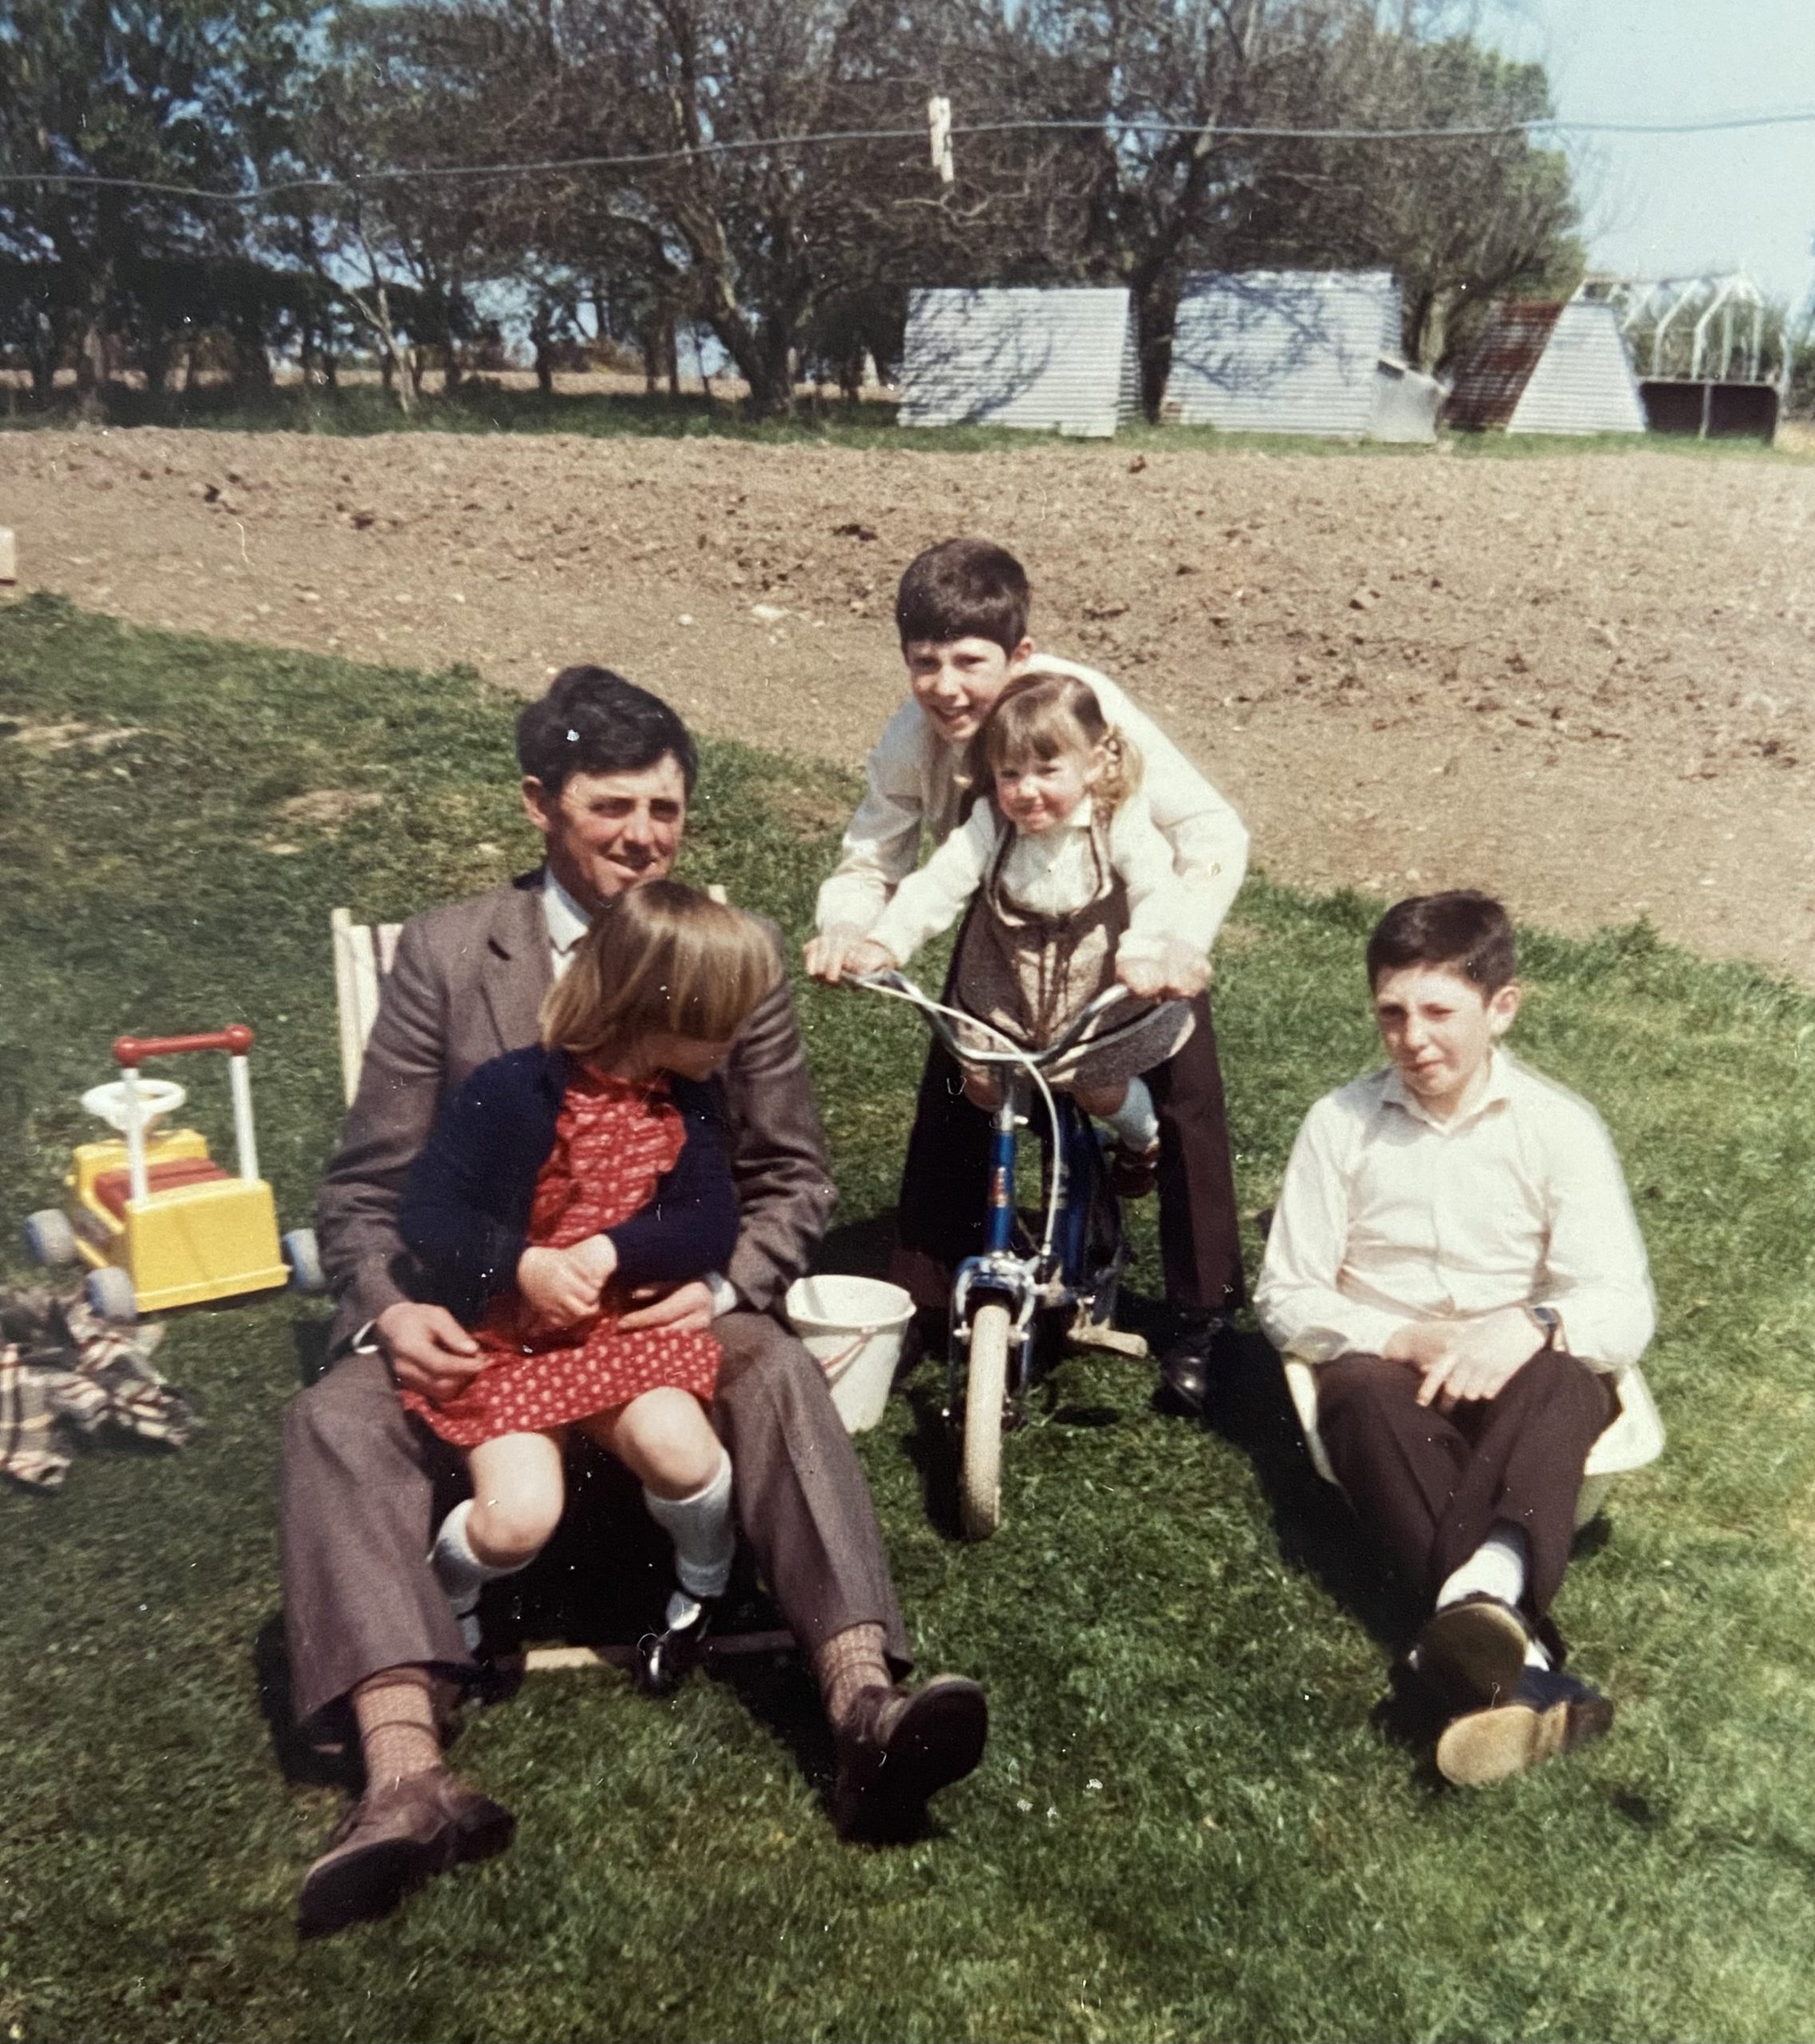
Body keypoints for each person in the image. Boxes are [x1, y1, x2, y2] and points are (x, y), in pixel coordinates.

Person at [285, 665, 986, 1941]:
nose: (641, 837)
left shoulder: (727, 953)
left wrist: (718, 1285)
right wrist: (392, 1308)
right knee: (337, 1417)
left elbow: (790, 1174)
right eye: (612, 807)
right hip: (481, 1310)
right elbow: (370, 1191)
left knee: (767, 1367)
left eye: (664, 810)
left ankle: (859, 1704)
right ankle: (402, 1778)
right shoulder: (453, 957)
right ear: (539, 805)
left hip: (660, 1300)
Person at [806, 539, 1248, 1413]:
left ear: (1021, 655)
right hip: (1006, 924)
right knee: (959, 1079)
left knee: (1187, 1093)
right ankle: (927, 1299)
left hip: (1127, 930)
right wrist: (851, 928)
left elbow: (1210, 830)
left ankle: (1198, 1320)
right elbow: (877, 854)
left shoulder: (1085, 711)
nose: (945, 687)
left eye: (968, 662)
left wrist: (1175, 942)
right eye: (923, 663)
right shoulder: (913, 738)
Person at [1254, 891, 1655, 1786]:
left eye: (1440, 1012)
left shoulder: (1558, 1127)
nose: (1413, 1038)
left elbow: (1623, 1304)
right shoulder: (1341, 1124)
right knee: (1351, 1388)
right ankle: (1522, 1650)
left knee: (1566, 1382)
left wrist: (1530, 1324)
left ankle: (1471, 1620)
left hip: (1511, 1364)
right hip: (1392, 1370)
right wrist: (1400, 1335)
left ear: (1501, 1007)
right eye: (1392, 1013)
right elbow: (1286, 1290)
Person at [398, 881, 775, 1665]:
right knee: (516, 1519)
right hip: (510, 1343)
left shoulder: (688, 1100)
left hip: (613, 1334)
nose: (737, 1039)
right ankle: (450, 1596)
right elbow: (428, 1214)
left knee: (685, 1451)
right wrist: (522, 1262)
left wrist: (612, 1251)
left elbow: (712, 1220)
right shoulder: (510, 1091)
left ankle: (703, 1584)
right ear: (657, 1007)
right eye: (722, 1020)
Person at [838, 668, 1197, 1190]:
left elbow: (1154, 886)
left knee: (1101, 1090)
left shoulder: (1118, 820)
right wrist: (886, 941)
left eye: (1048, 771)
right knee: (984, 1081)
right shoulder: (990, 822)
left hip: (1094, 981)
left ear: (1094, 765)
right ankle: (1043, 1141)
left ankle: (1144, 1140)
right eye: (1010, 774)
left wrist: (1143, 950)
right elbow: (939, 882)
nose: (1027, 791)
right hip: (1006, 978)